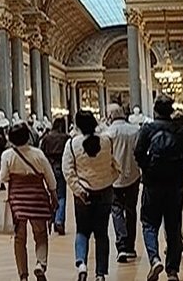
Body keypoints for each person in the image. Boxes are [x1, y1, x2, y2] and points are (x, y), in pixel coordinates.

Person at [136, 96, 183, 281]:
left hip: (152, 184)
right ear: (171, 110)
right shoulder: (182, 131)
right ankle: (172, 271)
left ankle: (155, 258)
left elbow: (138, 153)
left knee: (149, 224)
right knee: (173, 227)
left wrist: (148, 169)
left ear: (155, 110)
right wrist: (180, 167)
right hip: (175, 184)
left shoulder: (147, 130)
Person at [63, 109, 119, 281]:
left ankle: (82, 264)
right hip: (105, 191)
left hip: (83, 193)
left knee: (82, 231)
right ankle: (100, 274)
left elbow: (68, 171)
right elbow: (114, 164)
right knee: (101, 233)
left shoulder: (72, 144)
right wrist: (110, 178)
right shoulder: (106, 141)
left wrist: (79, 190)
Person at [0, 122, 58, 281]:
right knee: (40, 234)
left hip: (18, 200)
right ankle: (40, 263)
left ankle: (23, 275)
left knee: (19, 239)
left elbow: (3, 177)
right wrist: (54, 197)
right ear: (28, 136)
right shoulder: (38, 154)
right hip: (37, 198)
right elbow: (50, 178)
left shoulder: (7, 155)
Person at [104, 103, 143, 263]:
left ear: (110, 116)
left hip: (114, 178)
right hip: (133, 174)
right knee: (131, 210)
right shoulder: (135, 130)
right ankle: (130, 247)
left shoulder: (108, 133)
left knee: (116, 209)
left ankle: (121, 245)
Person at [39, 115, 72, 234]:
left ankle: (50, 217)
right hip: (61, 167)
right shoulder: (66, 138)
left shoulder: (46, 138)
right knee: (61, 195)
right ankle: (59, 220)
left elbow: (41, 154)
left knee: (50, 193)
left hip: (48, 167)